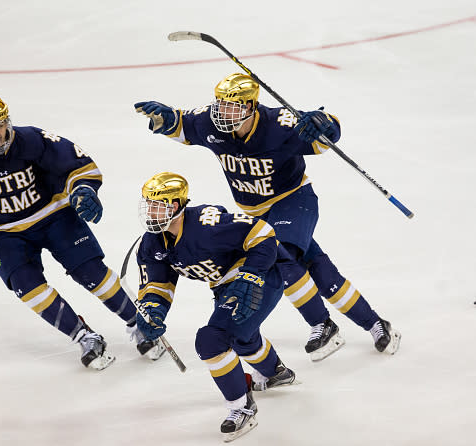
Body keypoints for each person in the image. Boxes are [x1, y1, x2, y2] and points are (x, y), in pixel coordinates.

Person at [134, 73, 401, 361]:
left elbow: (325, 138)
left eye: (233, 107)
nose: (224, 112)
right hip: (256, 216)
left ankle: (323, 326)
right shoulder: (213, 122)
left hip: (293, 202)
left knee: (280, 258)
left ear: (251, 107)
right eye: (221, 104)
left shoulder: (279, 125)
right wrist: (165, 119)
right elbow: (184, 123)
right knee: (317, 268)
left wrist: (325, 124)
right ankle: (376, 323)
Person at [0, 93, 165, 370]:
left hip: (53, 215)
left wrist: (83, 191)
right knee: (27, 288)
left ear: (8, 123)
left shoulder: (31, 139)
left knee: (91, 273)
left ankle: (139, 324)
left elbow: (80, 164)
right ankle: (84, 336)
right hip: (5, 232)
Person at [135, 171, 295, 442]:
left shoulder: (206, 223)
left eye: (155, 205)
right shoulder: (152, 243)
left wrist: (252, 274)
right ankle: (275, 372)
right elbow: (157, 286)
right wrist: (153, 311)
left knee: (212, 341)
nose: (149, 211)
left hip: (260, 277)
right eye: (147, 204)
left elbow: (262, 233)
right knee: (243, 339)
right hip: (226, 286)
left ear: (174, 206)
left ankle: (242, 407)